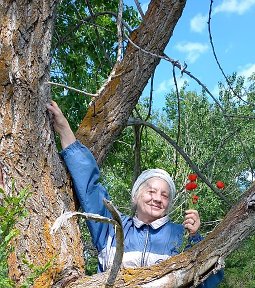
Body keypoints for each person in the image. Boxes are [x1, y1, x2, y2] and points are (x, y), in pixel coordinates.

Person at [47, 101, 224, 287]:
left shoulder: (181, 235)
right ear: (135, 196)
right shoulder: (112, 227)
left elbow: (211, 280)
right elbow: (89, 186)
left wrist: (195, 238)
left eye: (165, 195)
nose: (157, 198)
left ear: (169, 204)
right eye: (151, 191)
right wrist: (64, 129)